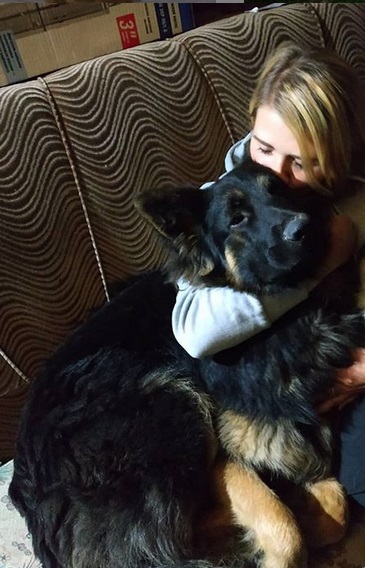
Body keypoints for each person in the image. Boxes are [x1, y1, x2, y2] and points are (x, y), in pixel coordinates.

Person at [172, 44, 365, 508]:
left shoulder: (354, 197)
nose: (276, 176)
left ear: (339, 158)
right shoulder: (221, 204)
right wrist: (327, 259)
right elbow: (196, 330)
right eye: (263, 147)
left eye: (301, 161)